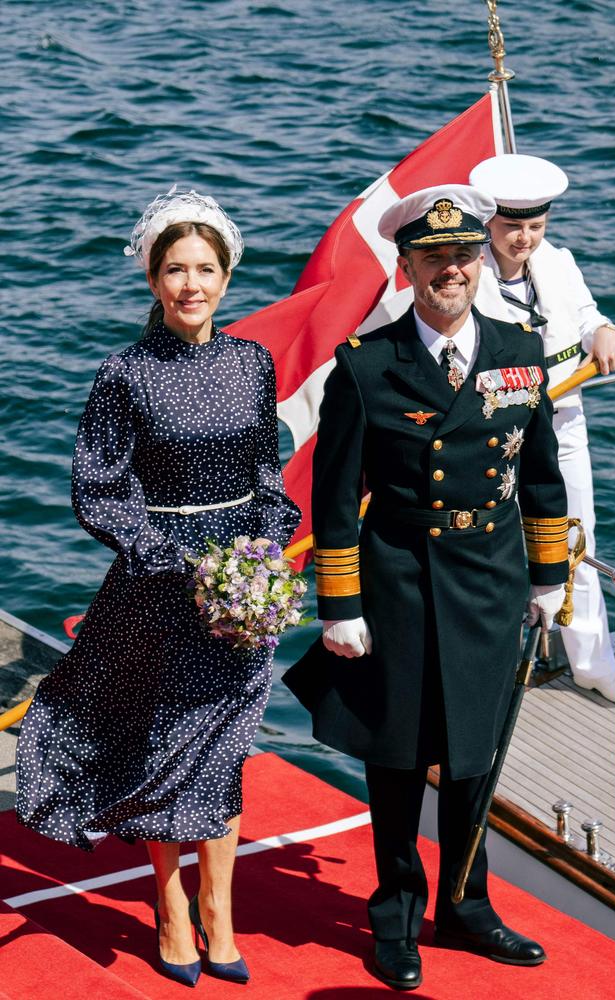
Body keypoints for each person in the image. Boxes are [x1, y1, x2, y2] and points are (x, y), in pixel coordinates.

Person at [284, 185, 569, 991]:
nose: (452, 269)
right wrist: (339, 607)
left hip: (489, 583)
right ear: (405, 268)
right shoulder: (368, 367)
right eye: (434, 257)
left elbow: (542, 478)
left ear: (483, 260)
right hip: (400, 585)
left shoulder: (521, 350)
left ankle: (469, 906)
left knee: (478, 750)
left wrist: (550, 578)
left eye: (464, 254)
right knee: (399, 760)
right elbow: (335, 500)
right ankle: (398, 916)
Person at [16, 187, 301, 987]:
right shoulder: (123, 375)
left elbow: (266, 476)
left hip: (241, 588)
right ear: (151, 278)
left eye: (204, 269)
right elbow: (98, 489)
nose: (190, 285)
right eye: (174, 269)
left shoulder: (253, 363)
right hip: (158, 584)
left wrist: (265, 548)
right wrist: (169, 558)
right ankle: (172, 909)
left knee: (225, 751)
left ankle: (220, 913)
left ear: (226, 276)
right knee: (164, 746)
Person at [470, 153, 615, 705]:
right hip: (494, 435)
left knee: (576, 536)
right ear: (488, 224)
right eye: (512, 226)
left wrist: (604, 330)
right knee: (493, 548)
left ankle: (594, 662)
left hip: (563, 422)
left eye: (535, 226)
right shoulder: (466, 273)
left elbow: (586, 312)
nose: (524, 238)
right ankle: (489, 669)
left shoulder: (558, 261)